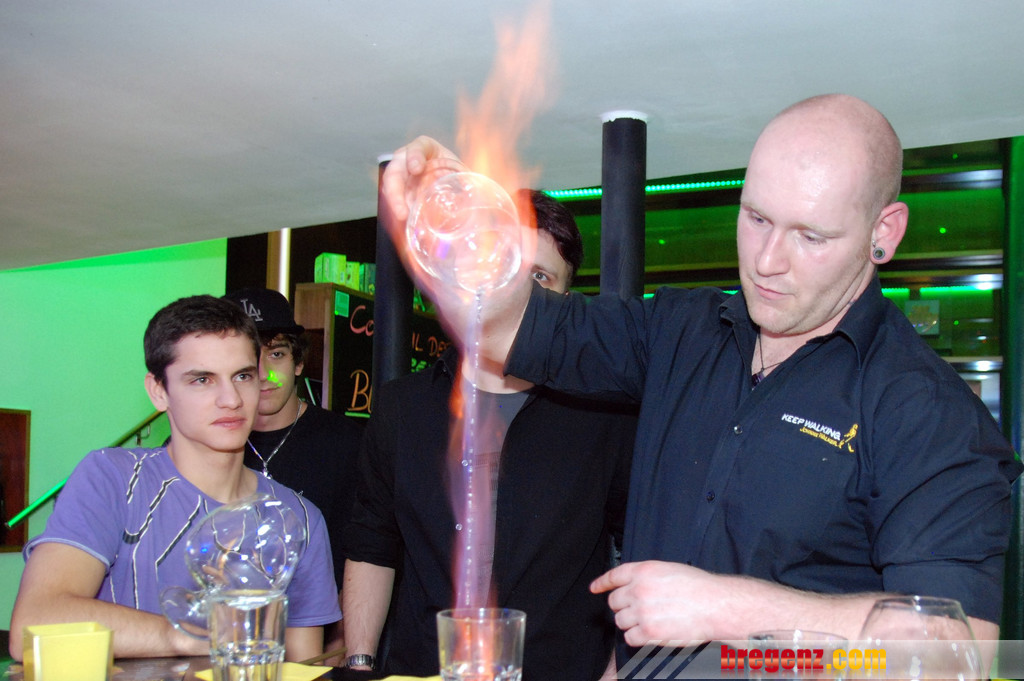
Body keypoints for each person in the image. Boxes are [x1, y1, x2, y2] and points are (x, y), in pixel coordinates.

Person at [379, 94, 1021, 675]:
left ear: (884, 232)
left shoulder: (928, 412)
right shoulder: (682, 330)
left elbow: (953, 649)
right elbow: (512, 327)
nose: (767, 262)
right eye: (757, 218)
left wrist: (725, 608)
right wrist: (447, 224)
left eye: (810, 236)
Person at [342, 189, 637, 680]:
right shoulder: (402, 408)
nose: (516, 292)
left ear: (566, 302)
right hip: (423, 671)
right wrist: (359, 664)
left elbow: (641, 550)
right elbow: (373, 545)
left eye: (539, 277)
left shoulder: (606, 414)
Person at [8, 295, 340, 661]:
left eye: (243, 376)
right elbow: (34, 624)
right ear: (158, 391)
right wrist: (191, 636)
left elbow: (302, 666)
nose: (231, 399)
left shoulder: (299, 517)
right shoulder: (114, 479)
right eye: (202, 380)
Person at [223, 287, 364, 591]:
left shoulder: (346, 442)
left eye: (276, 354)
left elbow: (363, 554)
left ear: (298, 362)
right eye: (247, 357)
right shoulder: (206, 447)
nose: (264, 373)